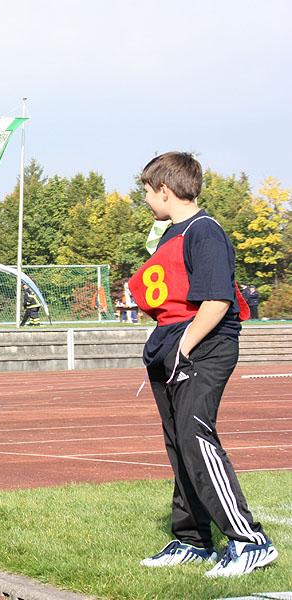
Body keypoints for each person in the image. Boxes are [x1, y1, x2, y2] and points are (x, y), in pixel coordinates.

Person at [128, 152, 276, 577]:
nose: (145, 199)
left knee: (196, 436)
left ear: (165, 190)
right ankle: (193, 539)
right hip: (173, 342)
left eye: (146, 191)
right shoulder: (170, 236)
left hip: (203, 344)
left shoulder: (204, 231)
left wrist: (184, 347)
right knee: (179, 442)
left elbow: (217, 301)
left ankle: (249, 540)